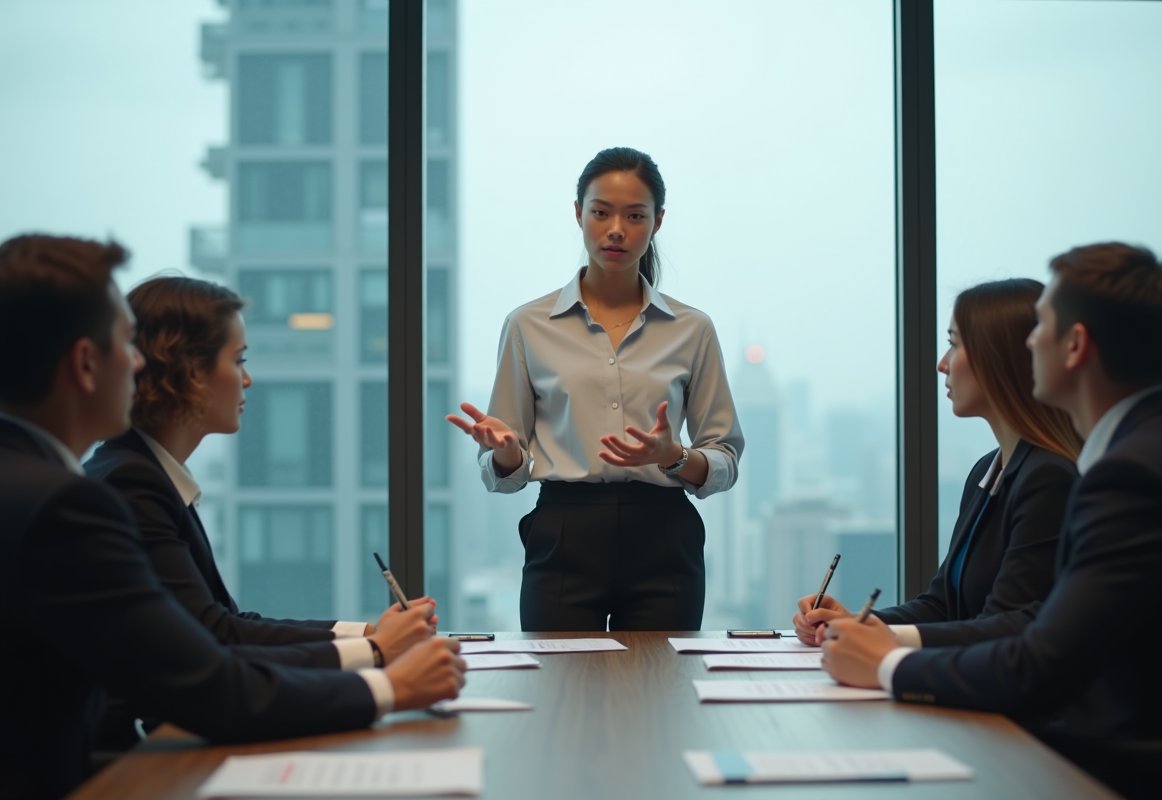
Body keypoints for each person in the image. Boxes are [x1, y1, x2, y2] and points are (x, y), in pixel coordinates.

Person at [0, 234, 466, 800]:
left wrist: (370, 642)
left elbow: (212, 632)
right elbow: (210, 675)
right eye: (126, 344)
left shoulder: (54, 483)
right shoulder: (79, 499)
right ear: (85, 363)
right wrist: (387, 679)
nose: (140, 363)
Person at [819, 242, 1162, 793]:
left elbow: (1038, 662)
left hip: (1108, 768)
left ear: (1075, 345)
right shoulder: (1160, 447)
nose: (1028, 342)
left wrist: (887, 664)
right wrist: (871, 633)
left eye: (1040, 326)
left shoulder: (1129, 475)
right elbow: (1017, 625)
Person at [83, 276, 439, 751]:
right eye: (238, 360)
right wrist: (374, 653)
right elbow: (216, 637)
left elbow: (225, 622)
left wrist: (370, 634)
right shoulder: (133, 482)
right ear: (189, 371)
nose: (247, 379)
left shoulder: (143, 471)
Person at [446, 147, 744, 631]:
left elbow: (725, 459)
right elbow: (505, 471)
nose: (616, 230)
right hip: (565, 532)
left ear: (658, 221)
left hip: (665, 536)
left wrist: (673, 456)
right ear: (578, 213)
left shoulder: (693, 329)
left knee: (660, 678)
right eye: (601, 212)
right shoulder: (528, 325)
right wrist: (505, 453)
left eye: (635, 216)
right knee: (559, 678)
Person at [794, 279, 1080, 648]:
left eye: (954, 344)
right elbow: (942, 605)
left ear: (1001, 358)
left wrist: (882, 639)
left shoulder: (1049, 478)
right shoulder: (987, 470)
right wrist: (854, 622)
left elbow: (1010, 626)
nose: (942, 364)